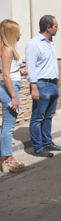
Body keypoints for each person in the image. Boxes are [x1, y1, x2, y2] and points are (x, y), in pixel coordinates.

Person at [25, 15, 61, 157]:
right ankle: (38, 148)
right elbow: (31, 68)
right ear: (48, 28)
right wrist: (34, 88)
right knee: (38, 117)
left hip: (53, 84)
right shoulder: (34, 44)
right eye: (55, 26)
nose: (57, 28)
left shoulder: (50, 42)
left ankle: (48, 143)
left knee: (48, 116)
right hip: (41, 85)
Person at [0, 20, 28, 172]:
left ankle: (6, 157)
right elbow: (5, 74)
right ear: (10, 33)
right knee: (8, 127)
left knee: (6, 126)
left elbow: (6, 70)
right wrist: (14, 97)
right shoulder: (7, 50)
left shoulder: (6, 49)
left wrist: (19, 72)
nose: (20, 34)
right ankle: (7, 160)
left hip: (10, 87)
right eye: (17, 32)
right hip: (10, 90)